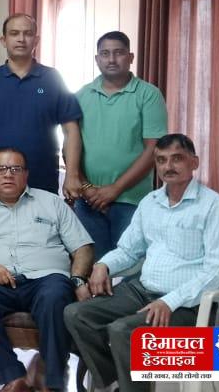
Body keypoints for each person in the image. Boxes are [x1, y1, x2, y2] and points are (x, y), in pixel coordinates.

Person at [64, 134, 219, 392]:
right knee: (76, 314)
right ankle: (115, 380)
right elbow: (128, 250)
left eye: (177, 159)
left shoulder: (215, 207)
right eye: (161, 160)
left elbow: (215, 272)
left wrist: (170, 301)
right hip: (140, 291)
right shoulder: (150, 202)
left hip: (187, 305)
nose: (168, 166)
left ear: (194, 163)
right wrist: (104, 266)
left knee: (123, 331)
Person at [0, 147, 94, 392]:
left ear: (26, 174)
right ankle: (13, 375)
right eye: (1, 169)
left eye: (15, 169)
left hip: (47, 279)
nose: (8, 174)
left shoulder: (51, 202)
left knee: (55, 296)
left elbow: (82, 246)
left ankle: (51, 381)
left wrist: (78, 279)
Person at [0, 14, 85, 199]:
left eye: (28, 33)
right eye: (14, 33)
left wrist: (72, 175)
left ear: (36, 40)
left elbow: (71, 130)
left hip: (42, 182)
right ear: (4, 40)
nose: (21, 39)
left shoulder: (53, 79)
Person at [72, 31, 168, 257]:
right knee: (92, 266)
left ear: (131, 57)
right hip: (88, 202)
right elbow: (71, 148)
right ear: (97, 59)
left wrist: (114, 189)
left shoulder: (148, 94)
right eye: (105, 54)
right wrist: (87, 188)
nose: (112, 59)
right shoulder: (81, 96)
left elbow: (154, 149)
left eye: (119, 53)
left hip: (131, 201)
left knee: (129, 265)